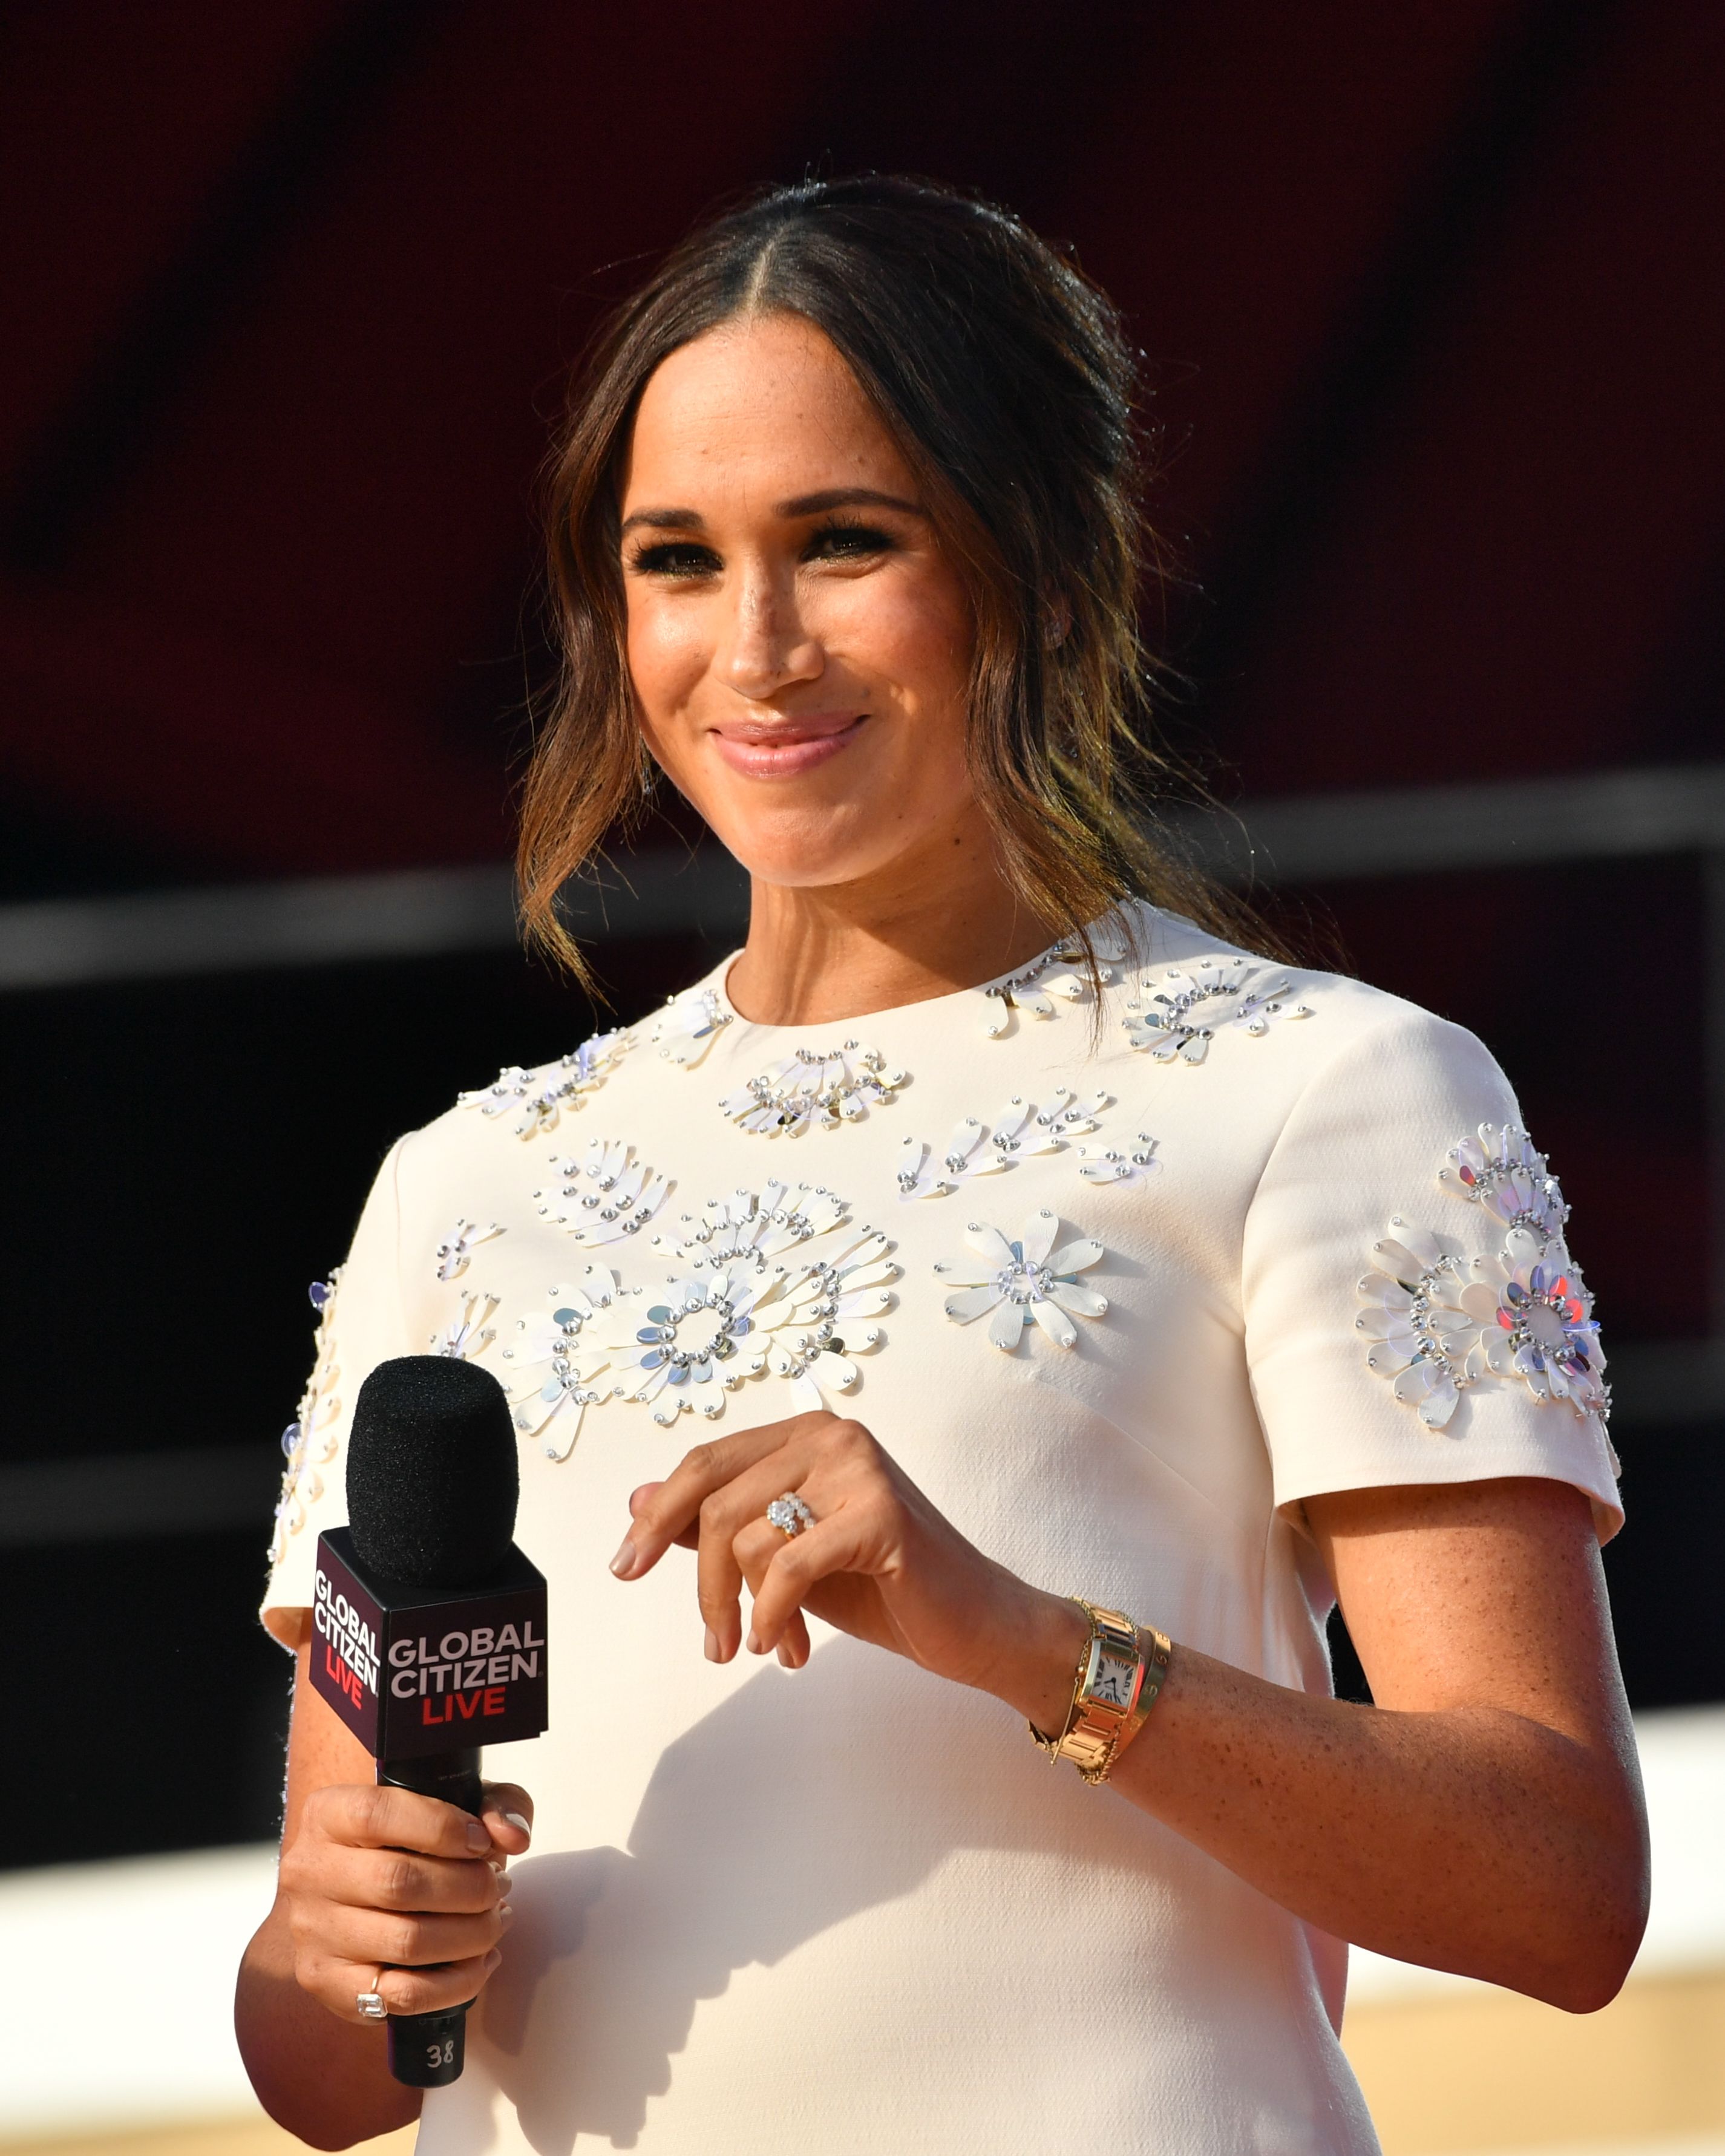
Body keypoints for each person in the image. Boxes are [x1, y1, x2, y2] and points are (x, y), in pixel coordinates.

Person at [235, 176, 1646, 2155]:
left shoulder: (1324, 1093)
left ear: (1044, 570)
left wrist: (1012, 1634)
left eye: (844, 543)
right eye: (675, 560)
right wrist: (341, 1950)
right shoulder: (465, 1182)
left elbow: (1559, 1892)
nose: (756, 646)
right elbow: (324, 2077)